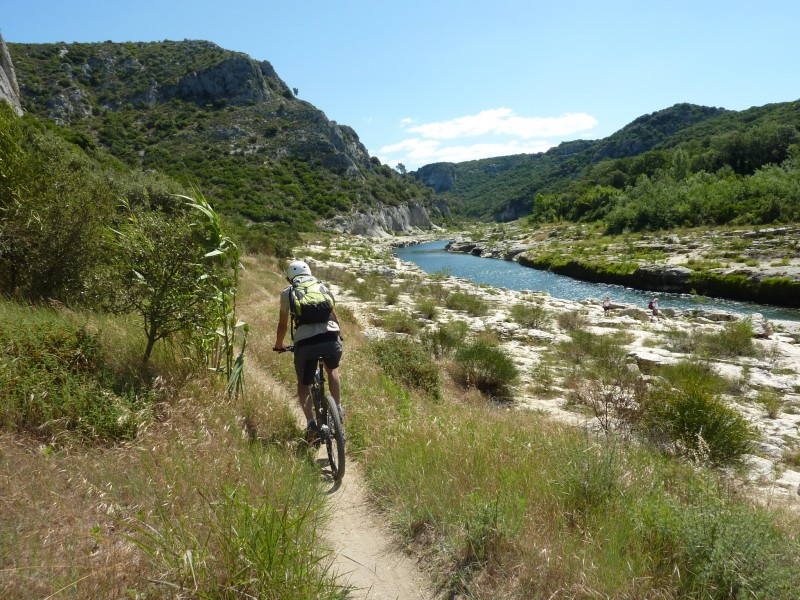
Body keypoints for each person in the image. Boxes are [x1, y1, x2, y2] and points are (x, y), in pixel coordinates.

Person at [274, 260, 343, 440]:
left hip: (305, 343)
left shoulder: (287, 293)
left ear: (290, 278)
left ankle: (311, 424)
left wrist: (279, 344)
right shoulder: (321, 287)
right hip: (331, 337)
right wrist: (339, 334)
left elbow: (282, 325)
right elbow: (332, 314)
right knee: (332, 370)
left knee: (303, 384)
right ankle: (338, 408)